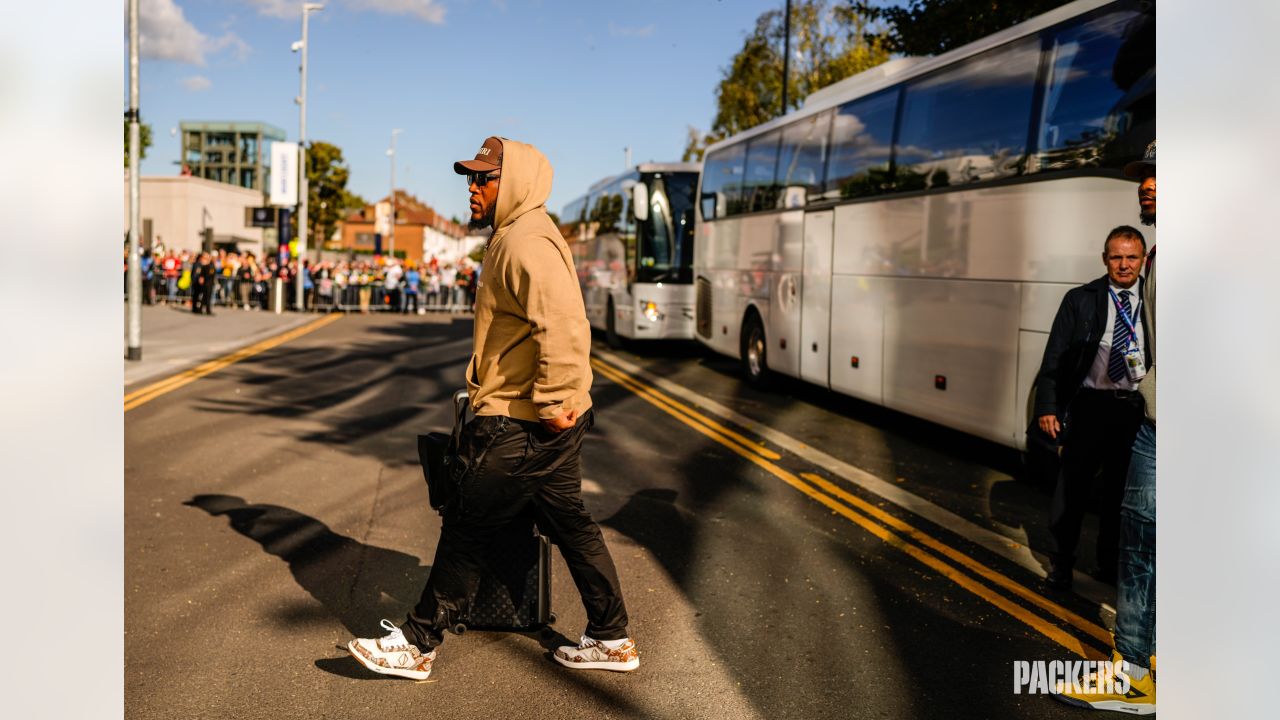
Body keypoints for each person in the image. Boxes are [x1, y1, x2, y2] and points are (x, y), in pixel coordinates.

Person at [347, 136, 638, 680]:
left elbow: (566, 327)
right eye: (470, 178)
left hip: (521, 419)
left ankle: (418, 642)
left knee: (467, 523)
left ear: (515, 183)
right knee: (571, 523)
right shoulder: (517, 235)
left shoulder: (525, 241)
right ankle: (611, 636)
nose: (473, 188)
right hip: (535, 417)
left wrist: (554, 404)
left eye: (484, 178)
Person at [1055, 141, 1157, 714]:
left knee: (1142, 544)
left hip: (1153, 417)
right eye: (1143, 179)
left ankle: (1136, 674)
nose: (1146, 186)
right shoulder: (1157, 257)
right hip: (1139, 413)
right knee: (1146, 538)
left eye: (1159, 179)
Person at [1034, 226, 1150, 590]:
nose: (1124, 264)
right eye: (1116, 256)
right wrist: (1048, 406)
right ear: (1105, 259)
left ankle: (1107, 564)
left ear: (1143, 260)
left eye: (1132, 257)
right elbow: (1055, 356)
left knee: (1120, 495)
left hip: (1133, 410)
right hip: (1089, 407)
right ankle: (1060, 565)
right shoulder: (1080, 298)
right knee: (1072, 491)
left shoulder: (1155, 299)